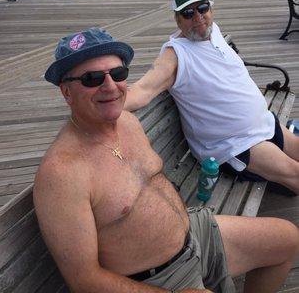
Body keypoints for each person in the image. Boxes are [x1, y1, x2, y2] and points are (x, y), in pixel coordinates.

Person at [34, 27, 299, 293]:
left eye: (118, 73)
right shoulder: (62, 173)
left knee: (287, 240)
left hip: (195, 233)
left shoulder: (126, 122)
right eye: (92, 78)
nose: (110, 86)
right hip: (160, 278)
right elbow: (84, 280)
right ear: (66, 92)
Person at [125, 0, 299, 196]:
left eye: (203, 8)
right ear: (177, 19)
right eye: (188, 13)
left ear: (211, 8)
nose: (198, 18)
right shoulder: (175, 56)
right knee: (295, 172)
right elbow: (142, 90)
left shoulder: (213, 30)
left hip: (263, 122)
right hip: (234, 145)